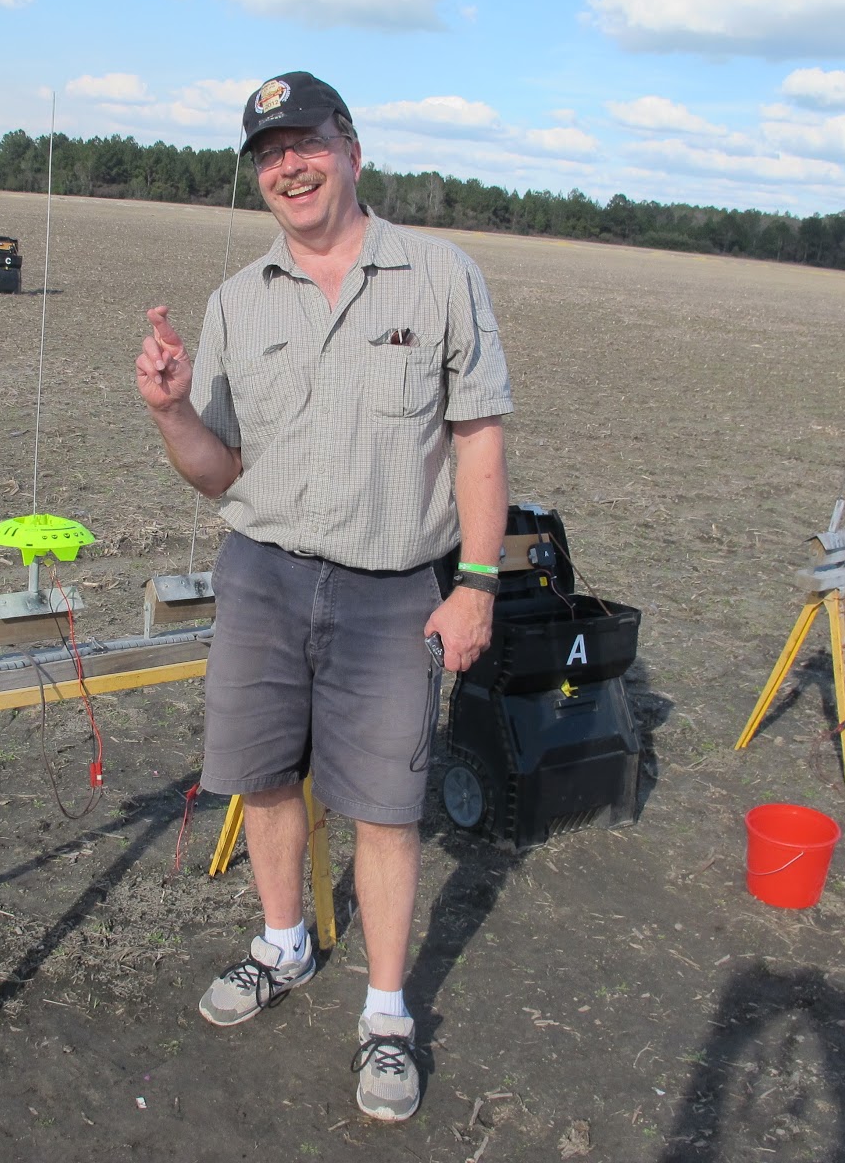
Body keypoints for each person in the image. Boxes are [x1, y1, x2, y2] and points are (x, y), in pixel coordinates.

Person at [133, 71, 512, 1123]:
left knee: (386, 808)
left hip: (396, 590)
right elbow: (217, 470)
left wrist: (475, 583)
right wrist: (169, 412)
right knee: (261, 780)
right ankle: (282, 943)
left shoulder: (439, 276)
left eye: (303, 142)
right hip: (261, 575)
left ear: (350, 147)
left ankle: (386, 1015)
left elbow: (479, 438)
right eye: (267, 153)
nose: (286, 166)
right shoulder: (235, 301)